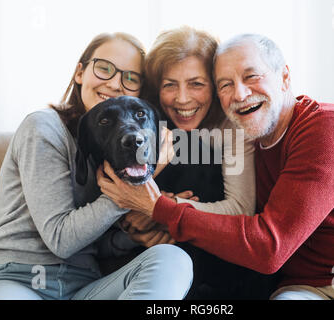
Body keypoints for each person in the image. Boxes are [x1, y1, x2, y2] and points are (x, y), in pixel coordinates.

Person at [96, 33, 334, 300]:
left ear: (285, 77)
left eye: (252, 76)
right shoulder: (242, 138)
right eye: (226, 84)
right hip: (306, 289)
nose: (241, 94)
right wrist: (154, 222)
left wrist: (160, 210)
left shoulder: (327, 127)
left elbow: (269, 246)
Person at [0, 32, 192, 300]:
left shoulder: (118, 146)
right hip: (18, 278)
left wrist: (134, 237)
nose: (114, 83)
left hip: (84, 288)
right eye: (104, 68)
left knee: (172, 259)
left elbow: (96, 245)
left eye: (130, 77)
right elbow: (61, 240)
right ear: (80, 73)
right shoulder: (43, 126)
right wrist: (138, 185)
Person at [119, 26, 278, 299]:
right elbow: (122, 202)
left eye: (196, 84)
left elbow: (241, 209)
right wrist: (133, 229)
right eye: (170, 85)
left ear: (215, 86)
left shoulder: (232, 126)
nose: (182, 99)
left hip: (221, 258)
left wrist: (161, 210)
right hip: (160, 257)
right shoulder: (144, 123)